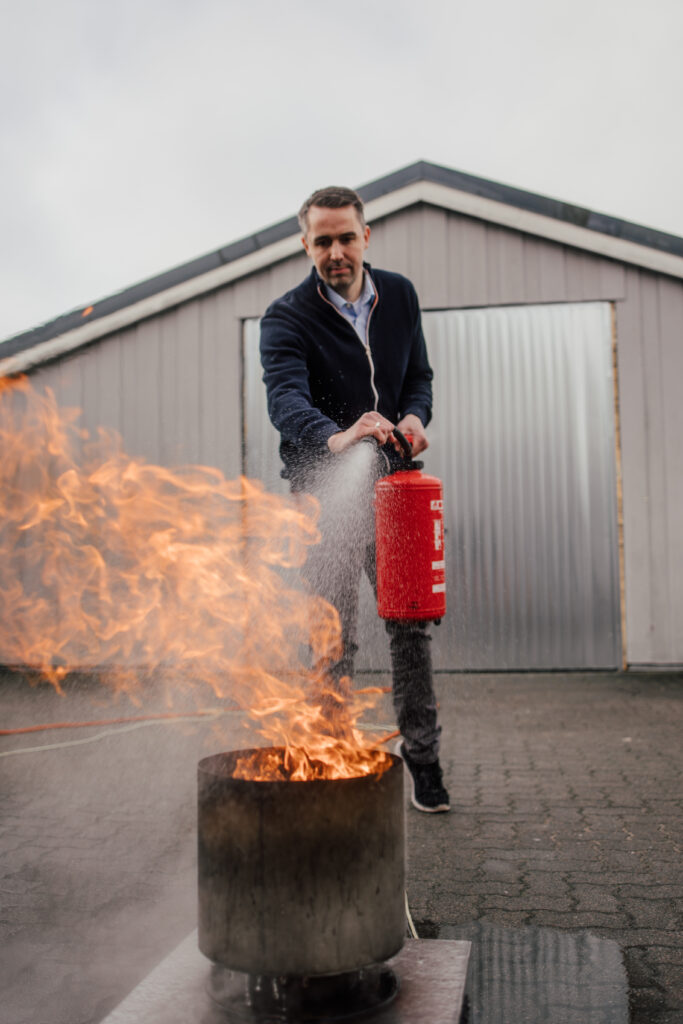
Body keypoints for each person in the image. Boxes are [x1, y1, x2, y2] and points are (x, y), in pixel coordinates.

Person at [259, 185, 449, 813]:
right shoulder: (285, 317)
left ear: (367, 236)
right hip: (323, 497)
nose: (336, 251)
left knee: (411, 627)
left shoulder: (401, 295)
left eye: (346, 237)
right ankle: (333, 758)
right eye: (323, 241)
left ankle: (423, 761)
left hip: (397, 496)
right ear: (306, 245)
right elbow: (285, 402)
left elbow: (417, 375)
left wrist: (416, 416)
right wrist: (339, 438)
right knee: (329, 639)